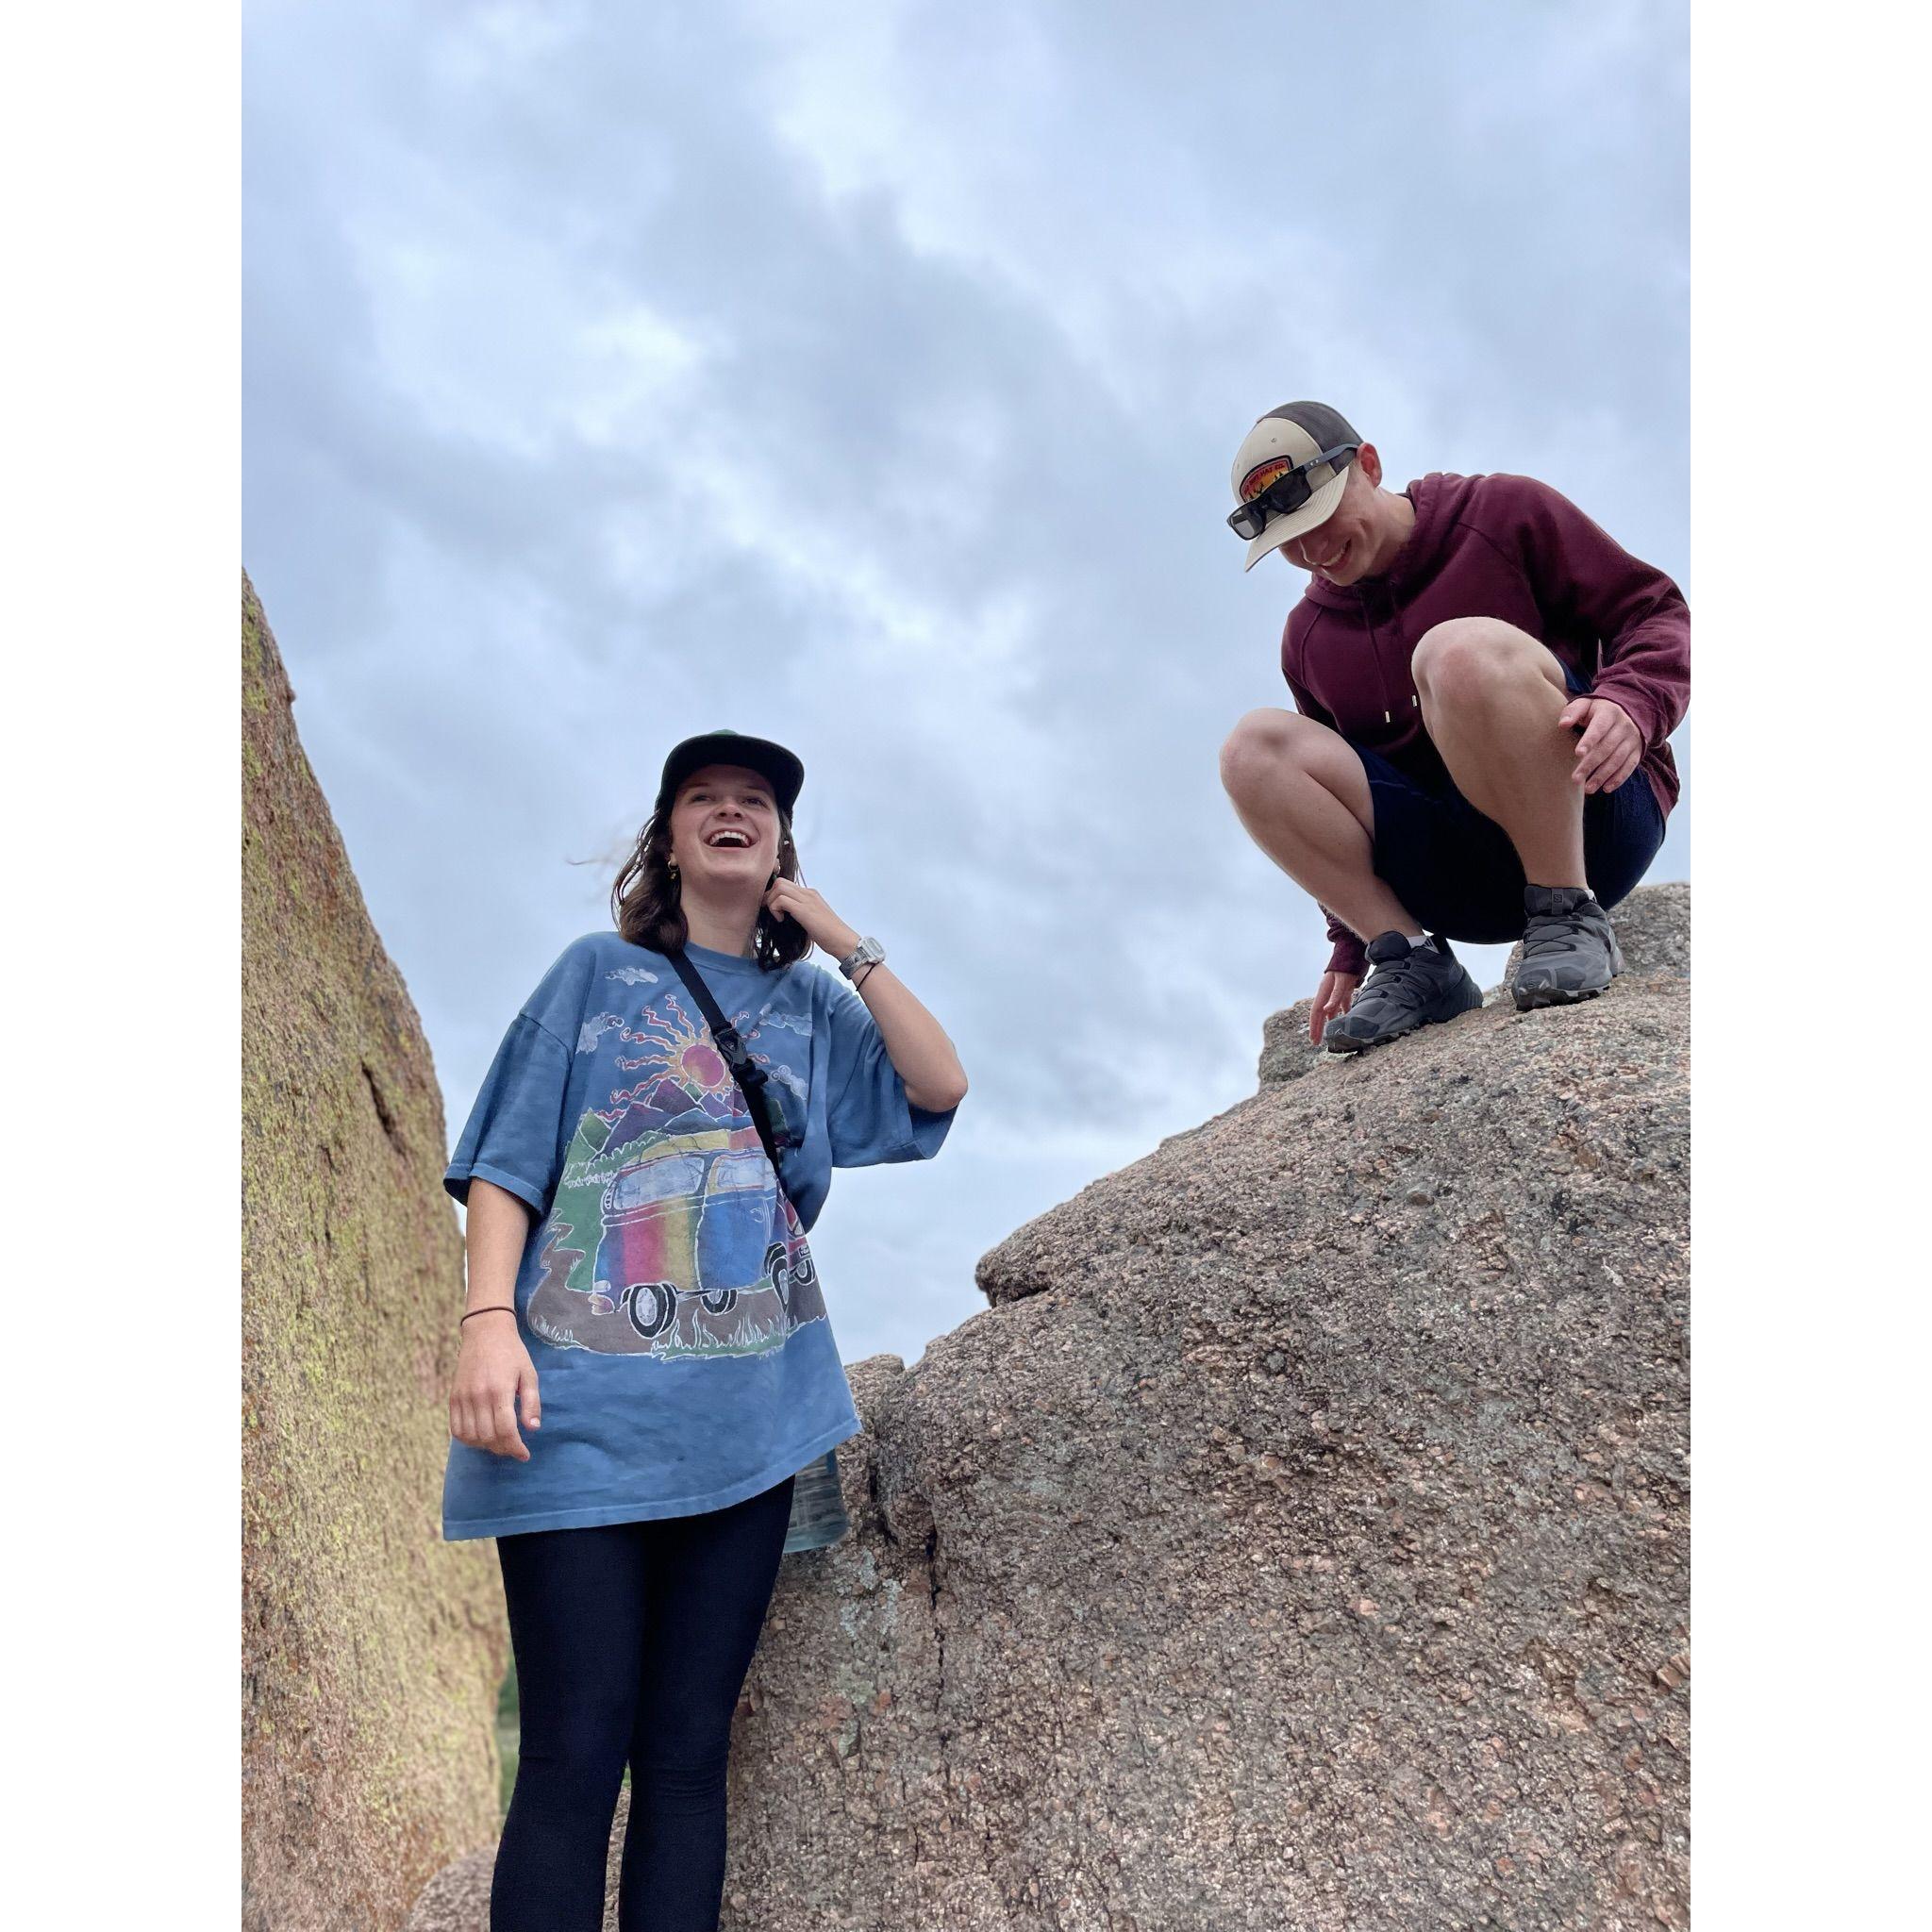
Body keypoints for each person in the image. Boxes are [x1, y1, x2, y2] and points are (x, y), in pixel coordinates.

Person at [441, 729, 967, 1932]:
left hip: (749, 1424)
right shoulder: (594, 973)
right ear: (668, 838)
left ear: (780, 843)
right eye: (703, 797)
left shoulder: (813, 1003)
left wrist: (839, 936)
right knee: (573, 1746)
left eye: (756, 802)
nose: (731, 811)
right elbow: (506, 1163)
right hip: (579, 1414)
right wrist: (486, 1321)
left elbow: (938, 1085)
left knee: (685, 1756)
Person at [1217, 400, 1689, 1052]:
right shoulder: (1308, 638)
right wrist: (1350, 944)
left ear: (1369, 465)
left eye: (1320, 516)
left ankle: (1568, 913)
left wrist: (1632, 702)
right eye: (1289, 541)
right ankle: (1413, 963)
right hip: (1458, 879)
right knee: (1251, 748)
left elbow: (1654, 610)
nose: (1314, 550)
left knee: (1454, 651)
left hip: (1594, 821)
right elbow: (1332, 798)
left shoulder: (1503, 512)